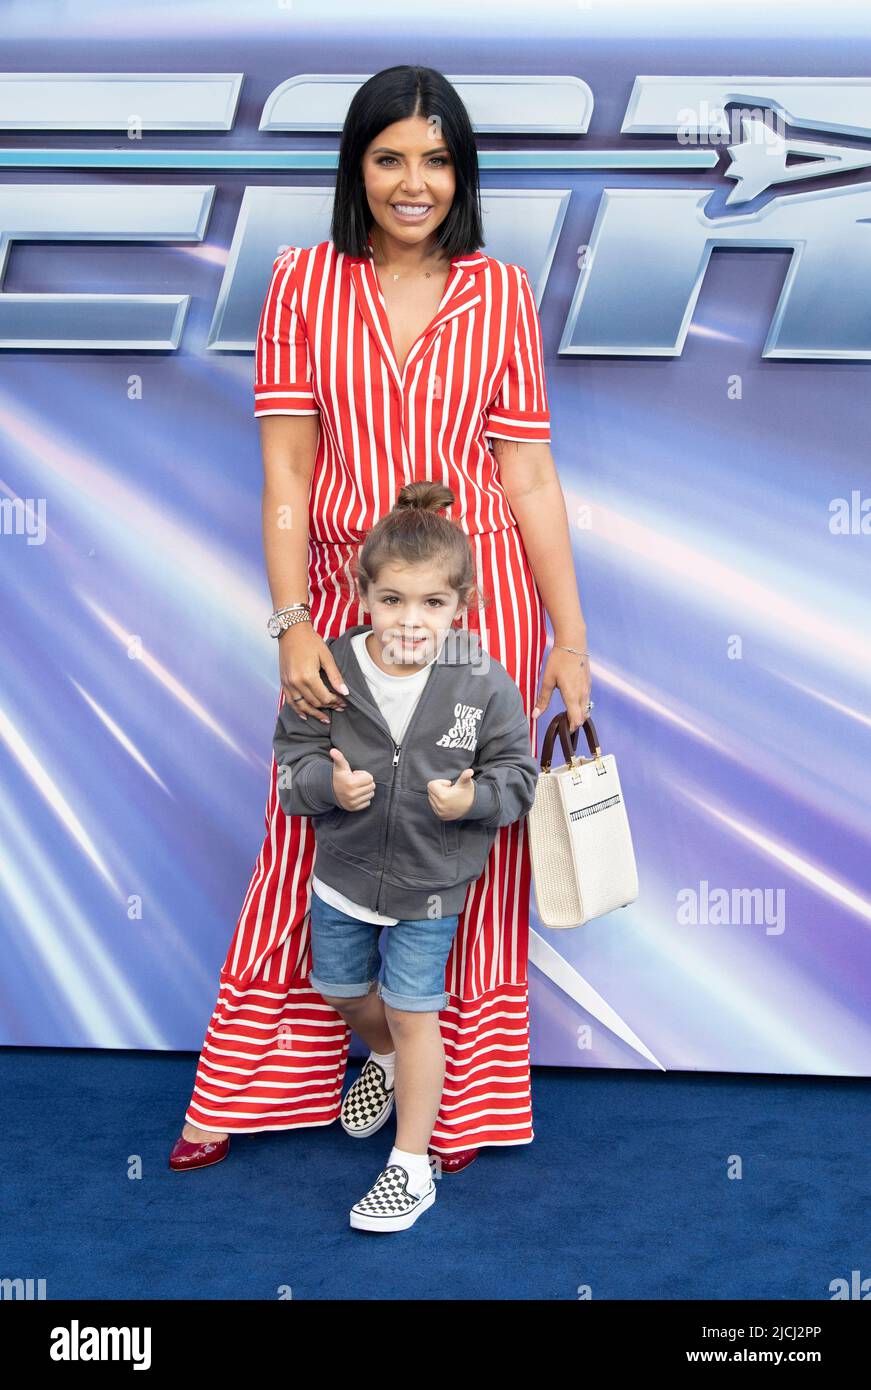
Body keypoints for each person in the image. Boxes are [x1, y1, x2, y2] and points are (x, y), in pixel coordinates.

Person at [170, 63, 591, 1175]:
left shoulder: (497, 293)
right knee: (316, 826)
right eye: (392, 157)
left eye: (438, 159)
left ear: (463, 172)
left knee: (461, 840)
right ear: (357, 167)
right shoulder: (304, 283)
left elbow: (531, 481)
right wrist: (290, 623)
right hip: (349, 615)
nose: (416, 183)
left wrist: (571, 637)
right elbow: (284, 480)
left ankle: (455, 1104)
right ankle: (274, 1082)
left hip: (474, 606)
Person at [272, 480, 539, 1230]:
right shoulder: (325, 668)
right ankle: (382, 1057)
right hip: (343, 877)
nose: (410, 622)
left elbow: (518, 779)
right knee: (341, 989)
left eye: (431, 604)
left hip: (432, 884)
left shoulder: (481, 680)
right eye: (392, 601)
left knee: (415, 1008)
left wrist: (472, 802)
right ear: (361, 595)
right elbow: (290, 766)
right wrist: (330, 784)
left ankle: (410, 1167)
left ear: (462, 605)